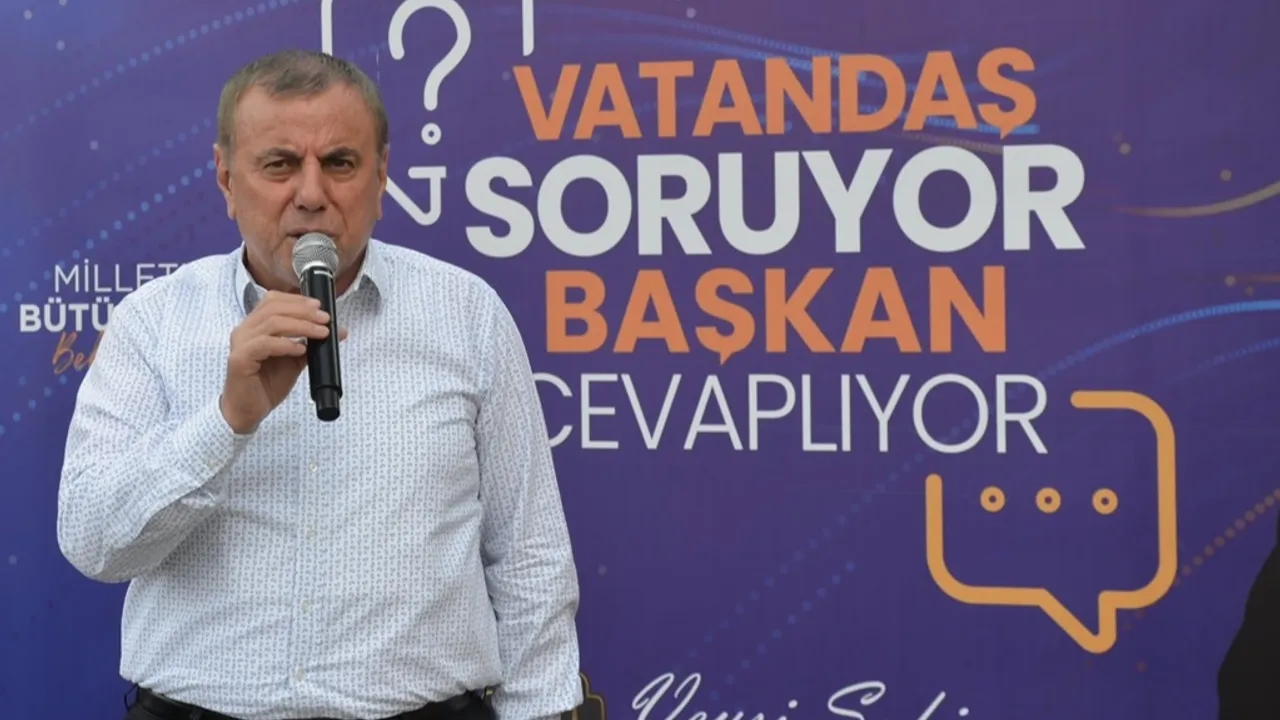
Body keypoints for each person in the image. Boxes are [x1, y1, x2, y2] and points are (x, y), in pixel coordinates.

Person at [55, 49, 583, 720]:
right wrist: (225, 422)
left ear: (381, 177)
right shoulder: (152, 323)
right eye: (279, 164)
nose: (311, 193)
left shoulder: (465, 314)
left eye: (339, 163)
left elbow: (530, 558)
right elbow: (93, 544)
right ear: (226, 179)